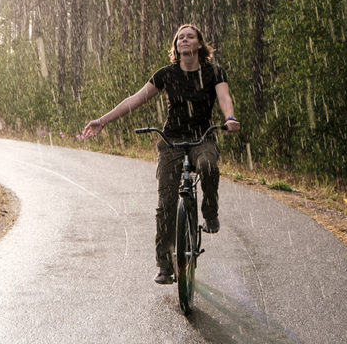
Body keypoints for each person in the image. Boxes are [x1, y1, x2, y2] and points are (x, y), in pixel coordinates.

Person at [82, 23, 240, 285]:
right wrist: (102, 120)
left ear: (199, 44)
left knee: (209, 167)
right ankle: (165, 265)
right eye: (180, 38)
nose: (184, 40)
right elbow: (135, 99)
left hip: (202, 137)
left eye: (190, 36)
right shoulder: (166, 74)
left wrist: (230, 117)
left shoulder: (214, 72)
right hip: (172, 140)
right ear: (176, 47)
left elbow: (224, 98)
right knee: (166, 203)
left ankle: (209, 211)